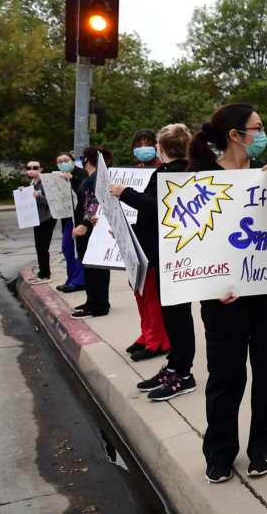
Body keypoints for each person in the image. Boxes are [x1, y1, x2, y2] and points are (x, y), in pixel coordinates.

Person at [187, 103, 267, 484]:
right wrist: (211, 286)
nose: (262, 134)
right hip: (223, 299)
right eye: (256, 127)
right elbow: (188, 245)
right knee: (226, 377)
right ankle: (219, 453)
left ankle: (263, 446)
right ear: (235, 135)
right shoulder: (200, 178)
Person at [111, 124, 195, 397]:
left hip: (172, 254)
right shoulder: (170, 171)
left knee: (178, 316)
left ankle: (183, 372)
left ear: (160, 147)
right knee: (172, 315)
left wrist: (124, 193)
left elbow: (156, 207)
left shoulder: (176, 174)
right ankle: (174, 367)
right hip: (164, 253)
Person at [118, 127, 171, 362]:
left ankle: (158, 340)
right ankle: (147, 333)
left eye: (147, 142)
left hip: (153, 243)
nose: (142, 147)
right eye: (138, 143)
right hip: (136, 240)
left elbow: (151, 205)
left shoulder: (163, 171)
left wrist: (125, 193)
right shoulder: (133, 172)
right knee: (138, 289)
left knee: (151, 292)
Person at [71, 147, 112, 318]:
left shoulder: (97, 178)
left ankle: (99, 304)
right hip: (89, 228)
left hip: (92, 228)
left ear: (88, 159)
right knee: (89, 266)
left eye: (83, 158)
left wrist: (85, 223)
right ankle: (92, 300)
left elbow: (95, 202)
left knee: (96, 268)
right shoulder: (91, 177)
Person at [53, 153, 88, 295]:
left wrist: (72, 179)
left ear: (73, 161)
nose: (63, 163)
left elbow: (84, 192)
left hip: (80, 217)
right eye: (59, 161)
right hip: (67, 217)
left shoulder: (81, 174)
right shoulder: (58, 176)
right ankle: (71, 278)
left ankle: (79, 281)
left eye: (65, 160)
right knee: (67, 248)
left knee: (78, 249)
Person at [24, 160, 56, 281]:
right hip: (37, 218)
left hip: (47, 218)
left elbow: (51, 201)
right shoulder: (32, 183)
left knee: (43, 247)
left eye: (35, 167)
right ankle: (42, 272)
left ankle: (46, 274)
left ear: (41, 169)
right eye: (29, 167)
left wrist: (39, 196)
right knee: (39, 246)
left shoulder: (46, 182)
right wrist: (23, 193)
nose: (32, 170)